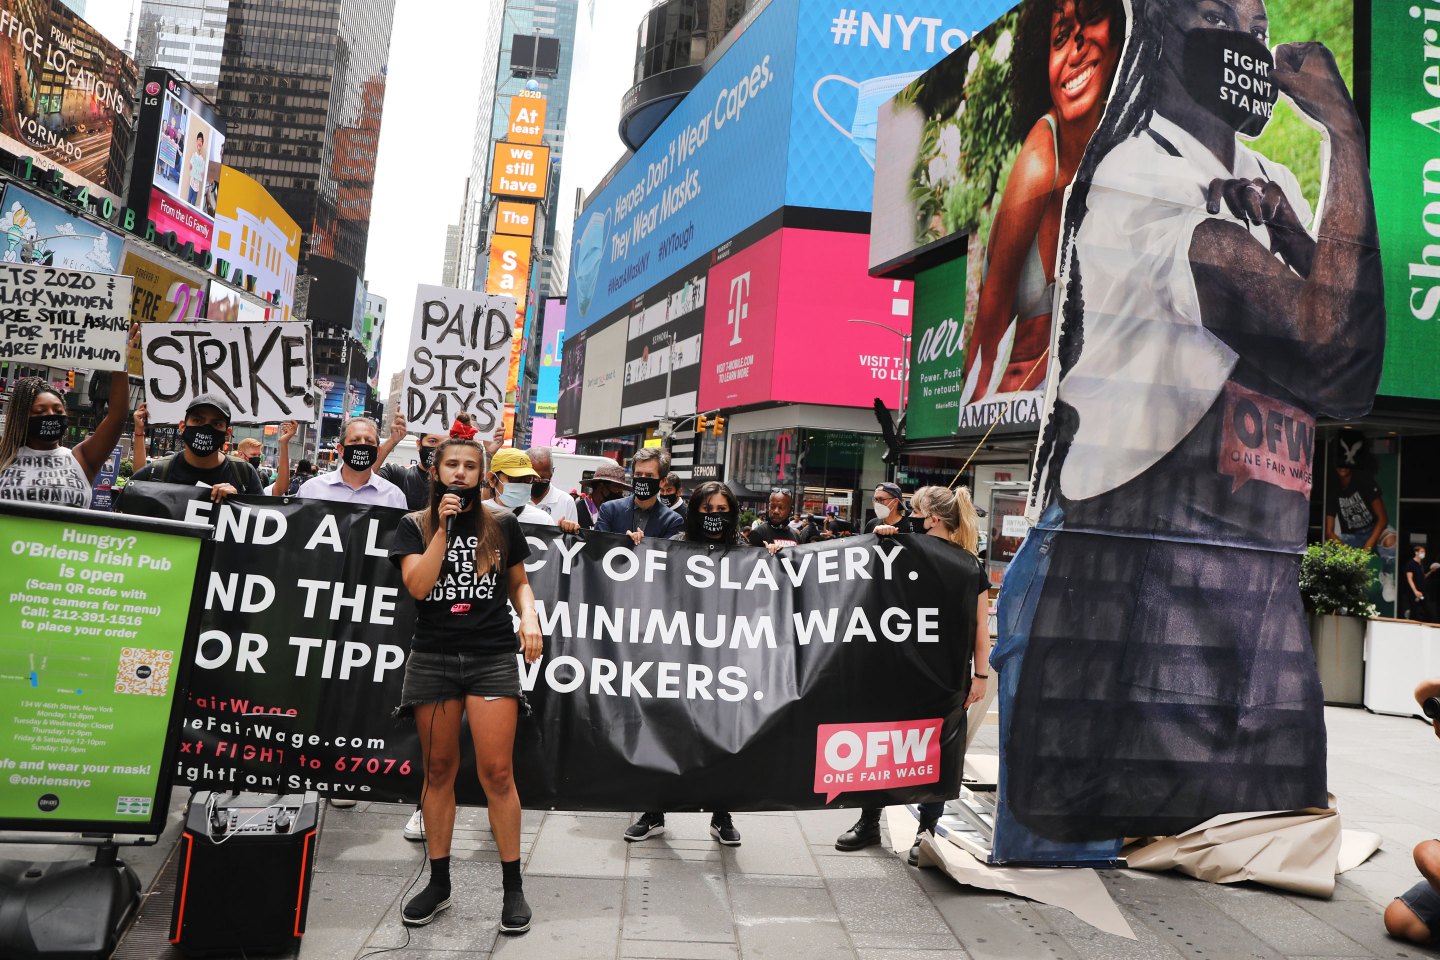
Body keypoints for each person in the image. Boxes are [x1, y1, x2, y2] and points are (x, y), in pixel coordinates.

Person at [1004, 0, 1383, 841]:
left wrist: (1294, 213)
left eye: (1257, 20)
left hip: (1251, 620)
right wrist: (1345, 139)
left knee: (1247, 839)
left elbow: (1352, 372)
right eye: (1220, 14)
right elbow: (1327, 344)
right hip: (1131, 607)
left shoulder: (1268, 187)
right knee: (1103, 831)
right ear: (1166, 34)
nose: (1248, 37)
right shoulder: (1136, 180)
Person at [390, 436, 542, 935]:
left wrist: (530, 619)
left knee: (498, 773)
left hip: (491, 658)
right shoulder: (413, 526)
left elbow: (519, 582)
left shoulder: (502, 524)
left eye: (469, 466)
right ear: (435, 472)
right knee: (438, 770)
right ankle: (438, 882)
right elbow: (418, 586)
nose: (459, 473)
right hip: (433, 660)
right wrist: (443, 531)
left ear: (483, 475)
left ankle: (513, 888)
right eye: (451, 464)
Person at [961, 0, 1125, 406]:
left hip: (1080, 396)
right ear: (1042, 60)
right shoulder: (1039, 160)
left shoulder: (1123, 145)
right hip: (1012, 404)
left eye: (1091, 21)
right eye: (1060, 38)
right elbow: (988, 327)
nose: (1077, 48)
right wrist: (967, 423)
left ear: (1124, 32)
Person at [835, 485, 991, 857]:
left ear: (933, 518)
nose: (911, 516)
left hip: (926, 672)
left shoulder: (965, 564)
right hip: (925, 671)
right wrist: (883, 537)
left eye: (916, 511)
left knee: (929, 749)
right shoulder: (918, 551)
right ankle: (897, 828)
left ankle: (914, 830)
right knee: (907, 744)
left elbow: (979, 627)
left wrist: (981, 678)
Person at [624, 480, 747, 847]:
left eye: (721, 511)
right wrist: (636, 550)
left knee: (723, 735)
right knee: (666, 729)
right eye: (707, 510)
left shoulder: (745, 552)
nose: (713, 517)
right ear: (694, 511)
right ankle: (654, 811)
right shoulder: (674, 546)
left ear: (732, 513)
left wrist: (771, 556)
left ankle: (721, 813)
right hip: (677, 653)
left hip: (724, 658)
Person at [0, 372, 131, 507]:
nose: (51, 415)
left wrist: (120, 360)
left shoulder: (82, 458)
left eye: (58, 411)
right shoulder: (3, 458)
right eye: (40, 411)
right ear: (21, 418)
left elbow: (118, 415)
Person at [127, 394, 264, 501]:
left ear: (227, 434)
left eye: (216, 424)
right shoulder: (157, 471)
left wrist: (238, 502)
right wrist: (139, 432)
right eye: (198, 420)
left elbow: (263, 525)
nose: (206, 428)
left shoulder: (244, 474)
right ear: (182, 427)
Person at [296, 417, 406, 509]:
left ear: (378, 451)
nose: (362, 445)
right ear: (340, 449)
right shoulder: (311, 490)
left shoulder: (394, 497)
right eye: (355, 440)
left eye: (369, 441)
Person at [595, 448, 683, 543]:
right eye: (638, 474)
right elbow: (597, 546)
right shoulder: (609, 509)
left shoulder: (672, 521)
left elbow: (669, 554)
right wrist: (623, 542)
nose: (642, 479)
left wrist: (645, 544)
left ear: (662, 482)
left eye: (649, 476)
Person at [488, 449, 556, 525]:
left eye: (528, 479)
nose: (522, 484)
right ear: (492, 479)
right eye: (514, 479)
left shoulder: (543, 520)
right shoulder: (475, 515)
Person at [525, 446, 581, 530]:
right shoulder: (516, 498)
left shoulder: (566, 501)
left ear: (552, 473)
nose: (537, 481)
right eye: (532, 477)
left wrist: (569, 529)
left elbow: (571, 539)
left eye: (543, 478)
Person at [1403, 546, 1427, 622]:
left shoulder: (1421, 564)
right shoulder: (1410, 563)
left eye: (1424, 552)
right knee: (1415, 611)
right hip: (1413, 592)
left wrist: (1431, 571)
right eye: (1422, 551)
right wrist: (1415, 591)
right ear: (1416, 552)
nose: (1423, 553)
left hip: (1421, 592)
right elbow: (1409, 579)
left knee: (1422, 612)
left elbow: (1423, 576)